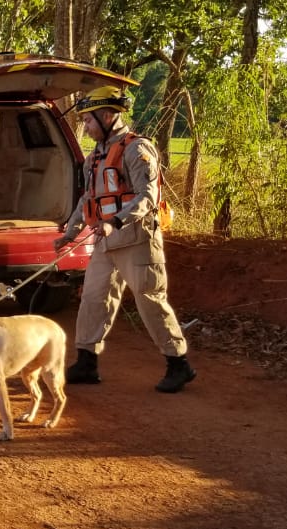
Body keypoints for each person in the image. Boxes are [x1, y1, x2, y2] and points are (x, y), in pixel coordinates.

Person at [52, 86, 196, 393]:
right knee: (93, 298)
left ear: (108, 116)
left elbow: (148, 196)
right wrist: (70, 232)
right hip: (105, 243)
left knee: (150, 300)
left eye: (88, 121)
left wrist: (114, 222)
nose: (86, 127)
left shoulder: (137, 149)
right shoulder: (95, 157)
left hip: (135, 240)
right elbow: (88, 198)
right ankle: (87, 362)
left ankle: (178, 363)